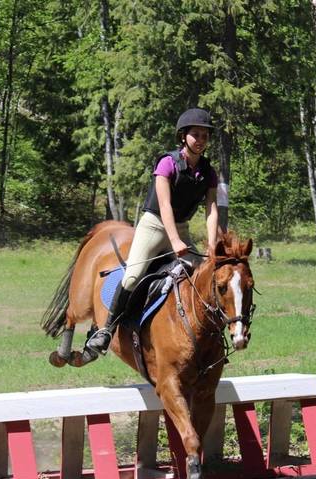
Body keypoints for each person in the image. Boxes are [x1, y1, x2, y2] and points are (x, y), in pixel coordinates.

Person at [86, 107, 219, 355]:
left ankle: (209, 337)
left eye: (205, 136)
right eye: (196, 135)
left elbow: (211, 209)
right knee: (133, 276)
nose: (201, 140)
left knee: (205, 275)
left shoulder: (208, 172)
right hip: (154, 225)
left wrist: (212, 245)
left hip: (181, 228)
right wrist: (175, 241)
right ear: (183, 136)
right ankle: (106, 330)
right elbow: (165, 205)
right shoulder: (167, 163)